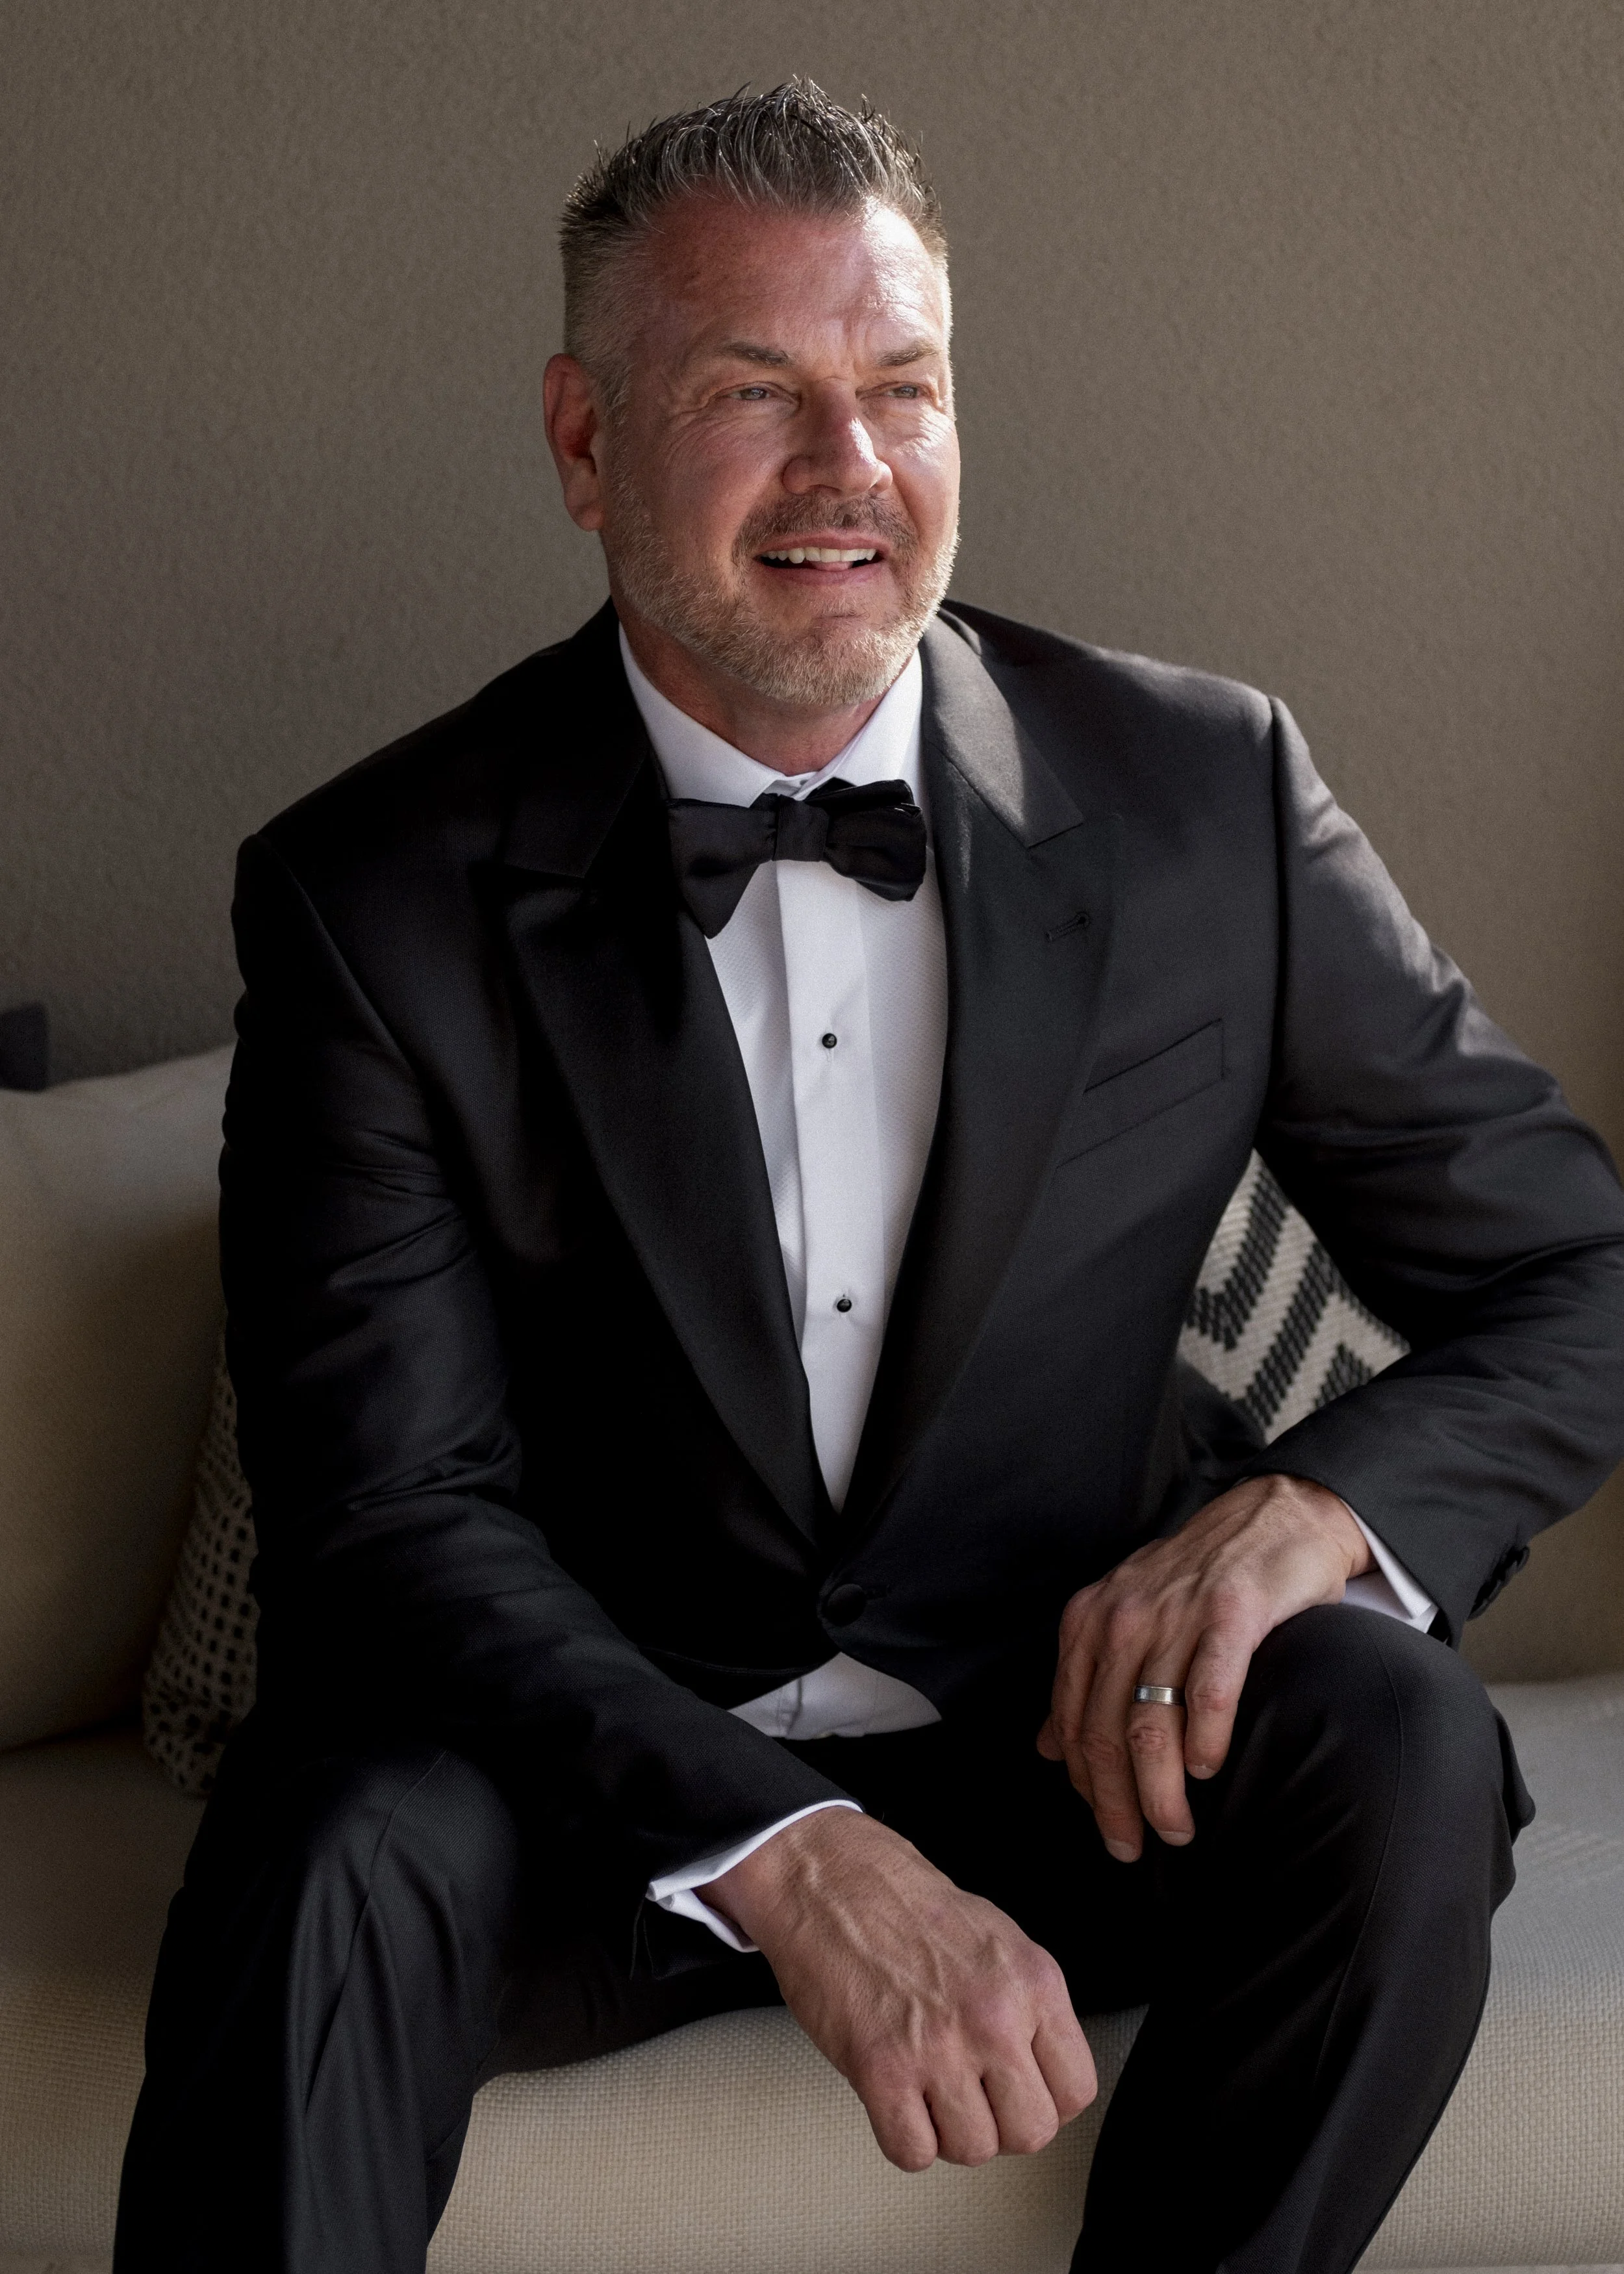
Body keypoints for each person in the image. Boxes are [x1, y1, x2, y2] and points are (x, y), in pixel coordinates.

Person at [114, 79, 1624, 2274]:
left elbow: (1572, 1270)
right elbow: (388, 1525)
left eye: (898, 391)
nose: (851, 472)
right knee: (327, 1839)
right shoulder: (373, 897)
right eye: (755, 395)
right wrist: (792, 1849)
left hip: (1070, 1749)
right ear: (581, 441)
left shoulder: (1209, 795)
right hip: (579, 1783)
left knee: (1388, 1734)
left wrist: (1317, 1508)